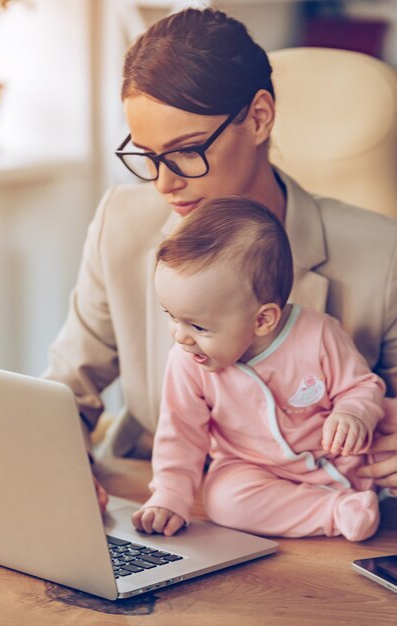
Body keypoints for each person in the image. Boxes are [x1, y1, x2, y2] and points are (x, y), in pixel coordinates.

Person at [43, 8, 397, 510]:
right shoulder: (120, 223)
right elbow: (64, 395)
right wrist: (60, 471)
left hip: (315, 512)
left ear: (258, 118)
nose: (165, 184)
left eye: (187, 151)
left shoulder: (382, 256)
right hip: (149, 494)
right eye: (146, 155)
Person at [132, 197, 395, 541]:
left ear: (262, 319)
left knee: (385, 427)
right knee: (223, 501)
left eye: (198, 326)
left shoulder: (317, 334)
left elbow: (362, 386)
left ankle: (366, 492)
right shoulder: (186, 362)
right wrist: (169, 497)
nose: (181, 337)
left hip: (344, 460)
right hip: (252, 467)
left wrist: (352, 413)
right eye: (171, 316)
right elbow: (180, 434)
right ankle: (337, 511)